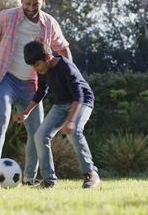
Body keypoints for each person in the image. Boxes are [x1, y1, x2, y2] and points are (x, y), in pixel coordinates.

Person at [0, 0, 72, 186]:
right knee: (2, 118)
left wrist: (69, 77)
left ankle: (29, 178)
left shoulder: (49, 23)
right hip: (5, 79)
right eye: (27, 4)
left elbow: (64, 49)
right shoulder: (6, 18)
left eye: (36, 4)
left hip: (31, 84)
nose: (31, 9)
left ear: (43, 1)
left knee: (37, 131)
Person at [13, 40, 100, 189]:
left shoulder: (66, 67)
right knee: (40, 136)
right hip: (61, 104)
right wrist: (26, 112)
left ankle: (90, 173)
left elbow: (78, 96)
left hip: (82, 102)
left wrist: (71, 121)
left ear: (47, 57)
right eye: (33, 66)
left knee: (75, 132)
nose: (36, 69)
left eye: (37, 64)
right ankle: (49, 181)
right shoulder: (43, 70)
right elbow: (41, 91)